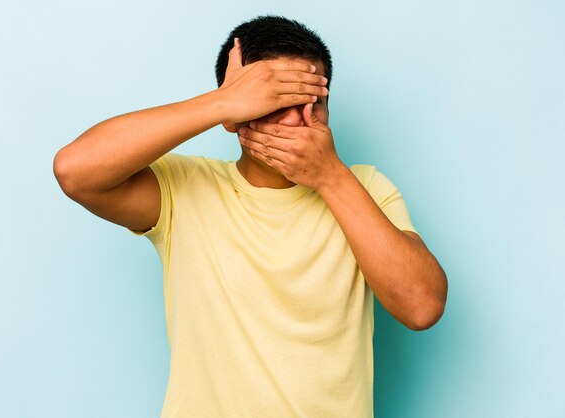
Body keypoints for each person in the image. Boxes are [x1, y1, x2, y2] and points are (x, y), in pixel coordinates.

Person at [53, 14, 447, 418]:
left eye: (314, 104)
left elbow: (422, 307)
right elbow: (75, 171)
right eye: (279, 102)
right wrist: (221, 102)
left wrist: (330, 177)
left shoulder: (364, 188)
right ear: (236, 113)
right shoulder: (186, 188)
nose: (298, 121)